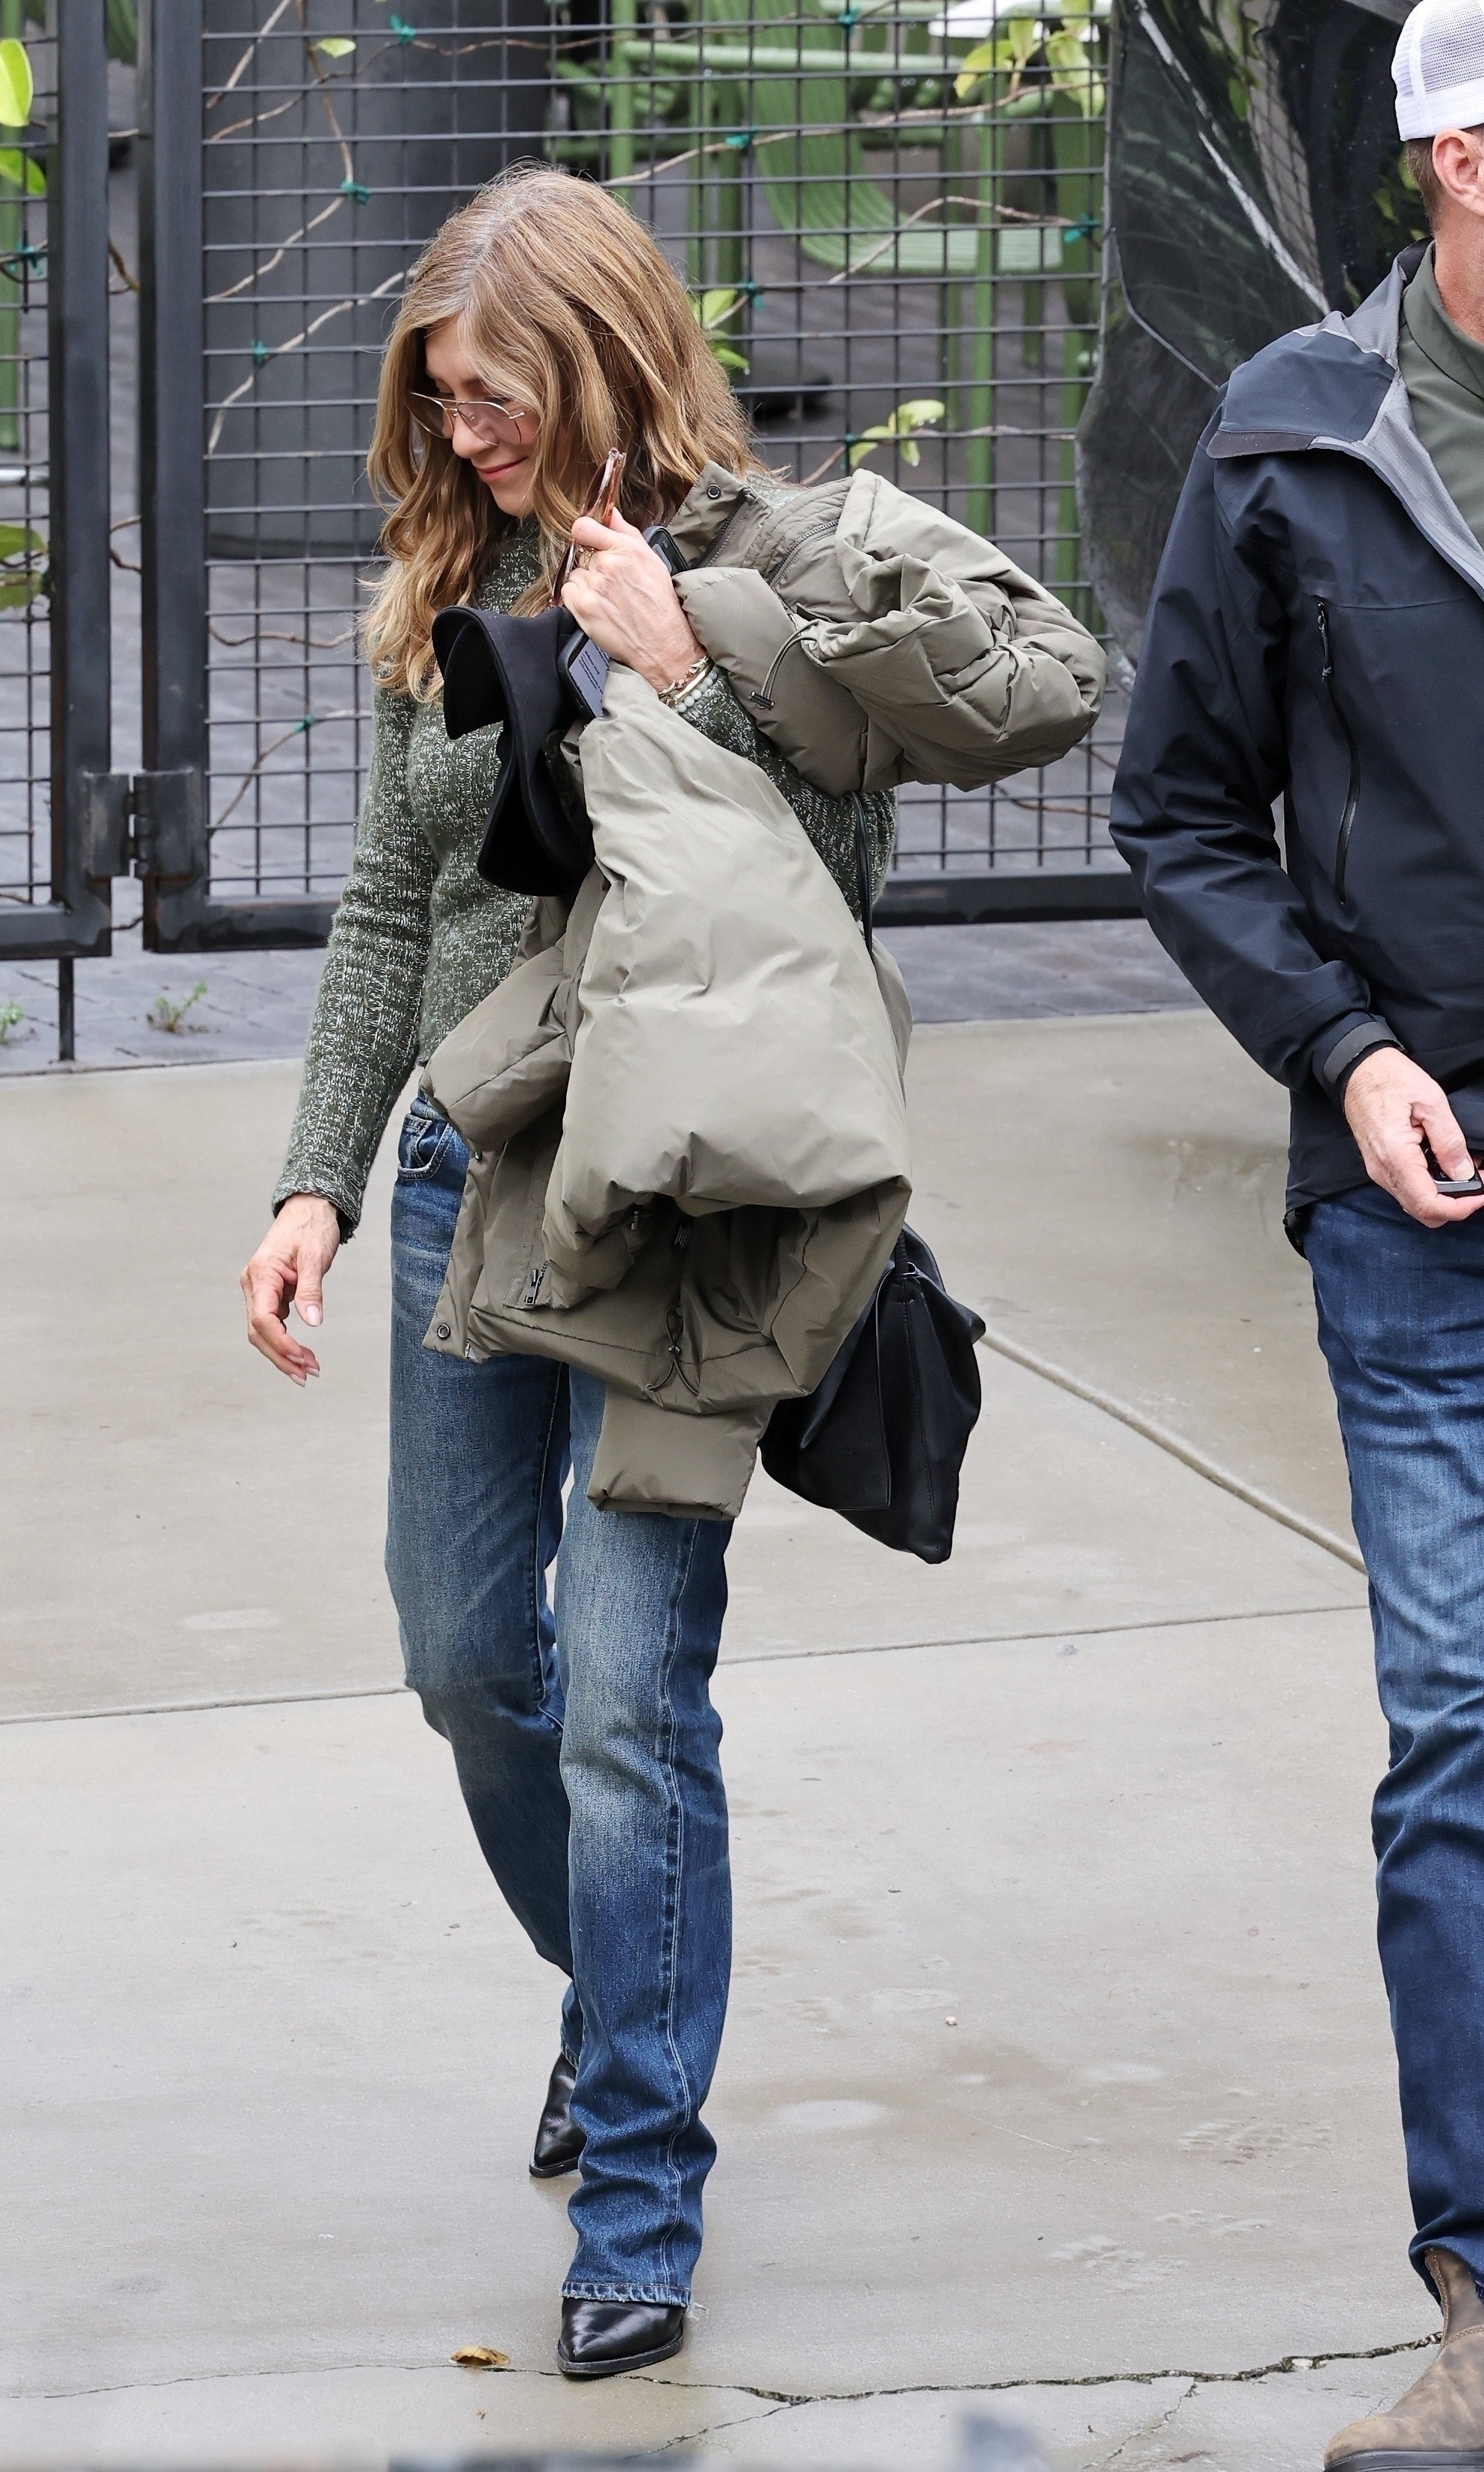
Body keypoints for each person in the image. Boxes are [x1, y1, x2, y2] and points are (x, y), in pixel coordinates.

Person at [242, 162, 1098, 2377]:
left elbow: (812, 889)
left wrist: (680, 663)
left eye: (497, 393)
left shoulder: (784, 568)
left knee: (633, 1696)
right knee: (465, 1659)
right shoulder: (457, 569)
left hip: (698, 1217)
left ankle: (640, 2181)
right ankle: (619, 1991)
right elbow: (384, 915)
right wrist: (314, 1180)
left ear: (603, 351)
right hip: (473, 1177)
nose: (468, 436)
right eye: (440, 401)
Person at [1110, 7, 1484, 2462]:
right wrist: (1344, 1055)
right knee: (1464, 1734)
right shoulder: (1287, 433)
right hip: (1417, 1205)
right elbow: (1181, 809)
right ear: (1461, 155)